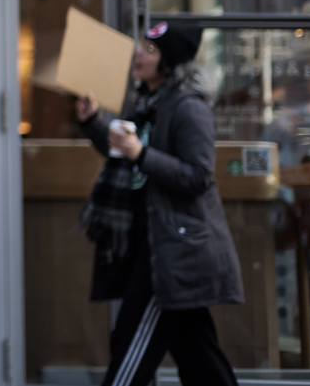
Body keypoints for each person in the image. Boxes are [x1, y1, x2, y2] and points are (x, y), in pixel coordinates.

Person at [75, 20, 243, 386]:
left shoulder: (188, 108)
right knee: (200, 358)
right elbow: (125, 154)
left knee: (129, 353)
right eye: (140, 46)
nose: (138, 53)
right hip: (155, 247)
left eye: (150, 50)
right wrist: (92, 123)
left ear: (170, 61)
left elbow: (198, 177)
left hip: (172, 253)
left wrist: (141, 154)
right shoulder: (148, 105)